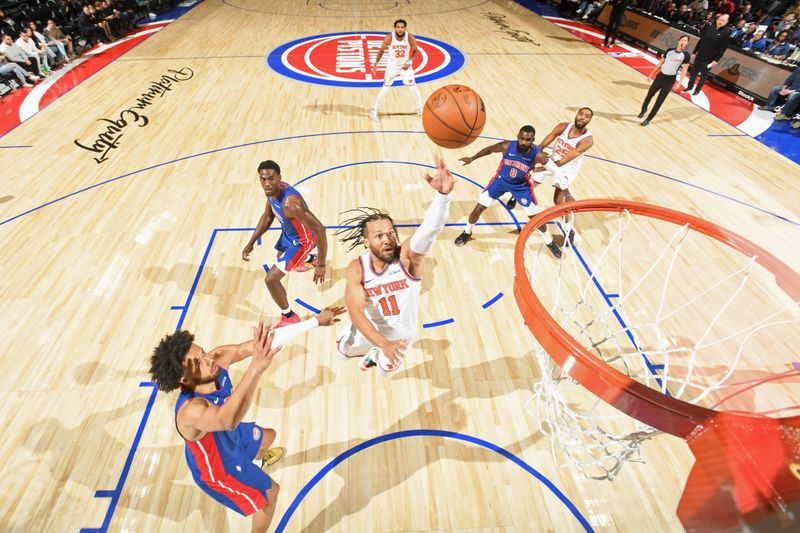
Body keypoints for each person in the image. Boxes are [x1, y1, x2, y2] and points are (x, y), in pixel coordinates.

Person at [149, 307, 344, 533]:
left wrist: (314, 322)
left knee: (269, 436)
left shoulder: (216, 360)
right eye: (199, 361)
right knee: (271, 495)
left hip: (232, 438)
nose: (208, 358)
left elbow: (260, 346)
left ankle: (257, 462)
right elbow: (226, 420)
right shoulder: (191, 410)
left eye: (202, 352)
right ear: (184, 379)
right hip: (220, 468)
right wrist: (256, 368)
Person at [335, 154, 454, 373]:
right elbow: (356, 311)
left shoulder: (407, 258)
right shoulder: (357, 268)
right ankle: (371, 350)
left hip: (400, 336)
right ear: (366, 241)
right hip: (367, 331)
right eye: (379, 235)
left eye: (391, 233)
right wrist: (381, 343)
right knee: (342, 353)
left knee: (384, 369)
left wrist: (442, 197)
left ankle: (374, 357)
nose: (388, 239)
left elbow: (429, 229)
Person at [242, 160, 328, 328]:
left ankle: (289, 316)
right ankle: (309, 259)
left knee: (271, 280)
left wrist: (322, 265)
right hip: (289, 234)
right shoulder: (271, 191)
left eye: (271, 179)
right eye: (262, 179)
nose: (266, 183)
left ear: (279, 178)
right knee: (280, 257)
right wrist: (250, 242)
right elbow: (268, 216)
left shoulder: (291, 203)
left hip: (301, 242)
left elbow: (320, 230)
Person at [452, 125, 554, 253]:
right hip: (501, 181)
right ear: (517, 136)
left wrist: (562, 186)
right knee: (478, 208)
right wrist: (471, 158)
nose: (523, 142)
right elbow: (490, 149)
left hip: (521, 186)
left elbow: (555, 170)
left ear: (533, 140)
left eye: (527, 140)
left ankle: (548, 240)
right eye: (521, 138)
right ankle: (467, 232)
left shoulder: (538, 155)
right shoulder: (506, 146)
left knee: (534, 217)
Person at [526, 108, 595, 253]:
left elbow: (563, 162)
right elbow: (547, 140)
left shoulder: (587, 140)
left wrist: (542, 168)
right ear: (576, 115)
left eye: (586, 116)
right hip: (555, 158)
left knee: (558, 200)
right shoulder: (563, 126)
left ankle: (569, 230)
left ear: (589, 120)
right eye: (581, 114)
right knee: (531, 183)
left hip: (568, 167)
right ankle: (515, 197)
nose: (582, 118)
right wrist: (538, 152)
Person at [368, 19, 422, 123]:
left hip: (405, 66)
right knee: (385, 89)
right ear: (395, 28)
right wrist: (376, 64)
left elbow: (415, 50)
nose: (400, 29)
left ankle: (420, 109)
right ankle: (374, 110)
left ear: (405, 28)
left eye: (402, 27)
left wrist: (410, 62)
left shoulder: (409, 37)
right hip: (392, 66)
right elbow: (381, 50)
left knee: (413, 88)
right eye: (398, 27)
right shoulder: (389, 37)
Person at [639, 35, 692, 125]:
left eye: (685, 41)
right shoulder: (669, 50)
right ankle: (643, 110)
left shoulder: (686, 55)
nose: (683, 42)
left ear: (687, 43)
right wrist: (651, 74)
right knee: (649, 95)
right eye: (682, 40)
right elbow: (661, 62)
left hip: (670, 80)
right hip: (660, 77)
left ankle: (648, 119)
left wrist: (679, 82)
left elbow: (684, 70)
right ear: (678, 41)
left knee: (659, 101)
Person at [681, 13, 731, 95]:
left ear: (726, 22)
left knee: (703, 75)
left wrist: (716, 60)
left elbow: (723, 48)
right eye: (719, 19)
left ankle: (697, 90)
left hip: (710, 59)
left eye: (723, 20)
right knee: (694, 72)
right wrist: (694, 52)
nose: (720, 21)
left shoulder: (726, 32)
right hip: (700, 54)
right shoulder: (710, 27)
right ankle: (689, 87)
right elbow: (701, 40)